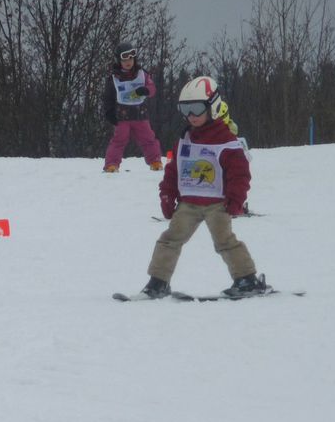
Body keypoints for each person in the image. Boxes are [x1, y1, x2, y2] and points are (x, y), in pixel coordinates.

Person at [138, 76, 267, 298]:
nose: (191, 116)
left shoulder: (226, 140)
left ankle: (247, 279)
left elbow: (240, 174)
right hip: (188, 204)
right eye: (185, 109)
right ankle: (158, 282)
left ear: (213, 106)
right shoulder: (185, 139)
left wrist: (235, 200)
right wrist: (167, 196)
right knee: (170, 239)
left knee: (224, 241)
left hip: (218, 204)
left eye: (197, 108)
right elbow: (173, 171)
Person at [102, 42, 163, 173]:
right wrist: (109, 112)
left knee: (148, 138)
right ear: (119, 61)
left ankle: (155, 161)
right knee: (119, 140)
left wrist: (145, 90)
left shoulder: (142, 74)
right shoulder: (113, 78)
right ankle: (111, 164)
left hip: (140, 115)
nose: (128, 62)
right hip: (122, 116)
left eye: (130, 59)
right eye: (124, 59)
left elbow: (152, 89)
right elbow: (108, 97)